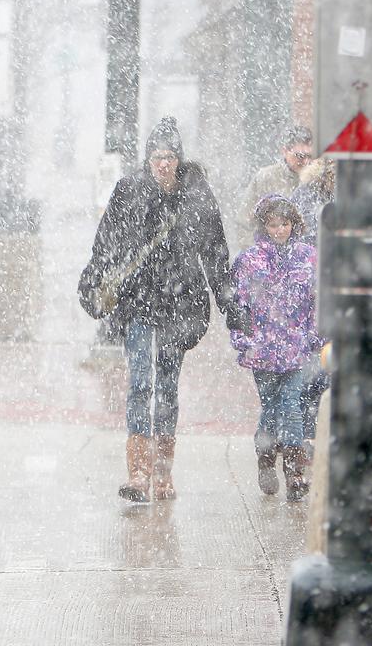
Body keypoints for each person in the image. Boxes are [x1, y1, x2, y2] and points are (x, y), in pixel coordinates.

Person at [78, 117, 246, 503]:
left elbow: (215, 253)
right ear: (147, 158)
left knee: (166, 388)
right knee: (140, 383)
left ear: (179, 158)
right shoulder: (129, 191)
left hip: (180, 306)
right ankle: (137, 473)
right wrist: (93, 280)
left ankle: (163, 473)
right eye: (156, 156)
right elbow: (106, 243)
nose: (163, 163)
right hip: (139, 304)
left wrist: (229, 302)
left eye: (169, 156)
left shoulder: (197, 195)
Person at [229, 194, 321, 502]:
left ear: (294, 224)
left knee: (292, 404)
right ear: (263, 226)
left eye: (284, 224)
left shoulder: (309, 257)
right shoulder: (248, 260)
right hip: (263, 348)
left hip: (296, 345)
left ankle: (294, 470)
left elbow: (316, 302)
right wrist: (244, 338)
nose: (279, 230)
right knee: (270, 407)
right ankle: (266, 458)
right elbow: (238, 304)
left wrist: (315, 335)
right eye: (272, 224)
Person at [239, 125, 313, 248]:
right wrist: (258, 255)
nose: (306, 161)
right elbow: (244, 223)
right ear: (285, 151)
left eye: (309, 156)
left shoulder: (316, 181)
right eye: (300, 156)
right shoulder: (266, 177)